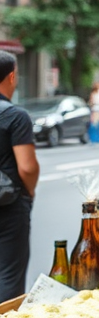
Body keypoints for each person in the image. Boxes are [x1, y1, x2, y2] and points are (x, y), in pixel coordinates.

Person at [0, 51, 38, 302]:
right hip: (8, 204)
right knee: (8, 275)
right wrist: (29, 192)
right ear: (12, 76)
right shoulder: (15, 116)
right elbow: (27, 167)